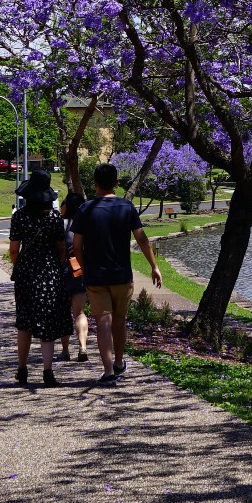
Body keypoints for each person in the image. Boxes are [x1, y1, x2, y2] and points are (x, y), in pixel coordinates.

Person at [71, 161, 162, 384]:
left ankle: (108, 371)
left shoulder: (86, 209)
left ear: (95, 184)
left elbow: (76, 246)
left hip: (96, 276)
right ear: (116, 183)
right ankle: (119, 362)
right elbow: (141, 238)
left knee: (103, 321)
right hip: (122, 275)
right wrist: (154, 266)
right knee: (119, 321)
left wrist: (82, 269)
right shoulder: (127, 207)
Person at [8, 171, 70, 387]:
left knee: (24, 322)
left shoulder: (19, 216)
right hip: (49, 271)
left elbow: (14, 250)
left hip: (26, 272)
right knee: (48, 322)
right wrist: (57, 263)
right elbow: (61, 247)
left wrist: (20, 266)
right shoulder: (54, 218)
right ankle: (47, 371)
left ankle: (22, 369)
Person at [58, 192, 91, 362]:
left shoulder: (58, 224)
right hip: (79, 271)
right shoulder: (85, 226)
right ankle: (83, 346)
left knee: (64, 313)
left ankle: (65, 350)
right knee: (79, 312)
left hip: (61, 273)